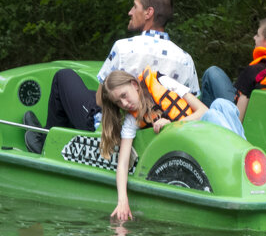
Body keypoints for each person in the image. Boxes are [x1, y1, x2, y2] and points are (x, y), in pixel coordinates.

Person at [25, 0, 199, 152]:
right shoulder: (185, 59)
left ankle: (47, 143)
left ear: (149, 13)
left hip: (114, 131)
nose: (130, 12)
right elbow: (192, 105)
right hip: (160, 134)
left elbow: (101, 100)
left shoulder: (124, 48)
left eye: (135, 6)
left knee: (64, 77)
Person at [99, 69, 244, 222]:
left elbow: (203, 111)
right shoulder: (131, 121)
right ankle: (242, 163)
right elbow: (122, 164)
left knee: (221, 105)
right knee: (215, 113)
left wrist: (172, 125)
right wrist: (123, 201)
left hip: (205, 135)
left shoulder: (163, 82)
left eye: (124, 96)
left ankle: (242, 156)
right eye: (118, 102)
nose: (124, 104)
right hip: (195, 152)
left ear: (134, 84)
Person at [199, 16, 266, 120]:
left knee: (212, 72)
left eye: (258, 35)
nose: (254, 37)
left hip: (240, 112)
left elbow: (242, 102)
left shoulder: (256, 69)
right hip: (265, 111)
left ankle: (204, 123)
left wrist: (236, 127)